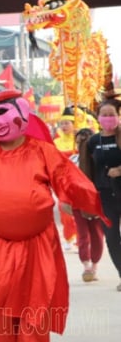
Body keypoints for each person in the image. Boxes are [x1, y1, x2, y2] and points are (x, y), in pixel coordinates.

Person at [0, 88, 107, 342]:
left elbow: (65, 177)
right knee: (2, 308)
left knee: (35, 307)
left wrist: (80, 200)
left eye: (2, 112)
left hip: (39, 244)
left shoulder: (41, 149)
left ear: (21, 111)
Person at [79, 99, 121, 291]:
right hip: (105, 197)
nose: (108, 118)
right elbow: (86, 169)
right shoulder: (93, 141)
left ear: (119, 116)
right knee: (111, 238)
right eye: (104, 114)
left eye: (112, 114)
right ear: (98, 117)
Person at [70, 128, 105, 282]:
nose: (81, 145)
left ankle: (95, 265)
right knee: (82, 234)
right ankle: (86, 266)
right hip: (78, 202)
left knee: (97, 234)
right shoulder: (72, 160)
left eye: (85, 142)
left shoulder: (100, 159)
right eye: (79, 142)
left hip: (98, 202)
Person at [54, 107, 79, 251]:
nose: (63, 127)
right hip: (62, 180)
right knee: (63, 208)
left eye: (67, 123)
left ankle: (81, 237)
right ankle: (69, 237)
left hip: (77, 179)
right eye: (62, 124)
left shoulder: (81, 139)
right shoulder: (56, 142)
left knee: (78, 209)